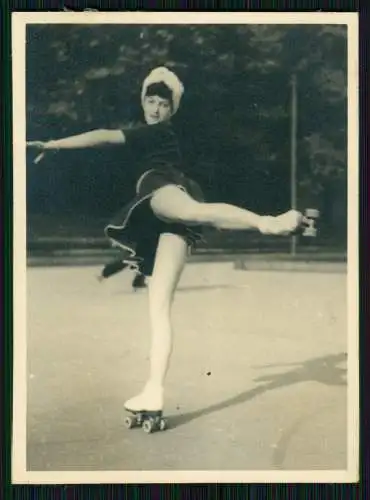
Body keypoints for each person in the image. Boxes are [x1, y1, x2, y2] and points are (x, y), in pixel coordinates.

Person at [27, 66, 309, 416]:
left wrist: (54, 144)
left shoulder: (155, 133)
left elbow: (103, 135)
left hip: (162, 191)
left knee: (193, 210)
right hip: (165, 216)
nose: (156, 108)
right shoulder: (162, 136)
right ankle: (154, 390)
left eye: (163, 103)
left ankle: (266, 223)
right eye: (151, 100)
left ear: (172, 109)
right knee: (159, 308)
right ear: (143, 100)